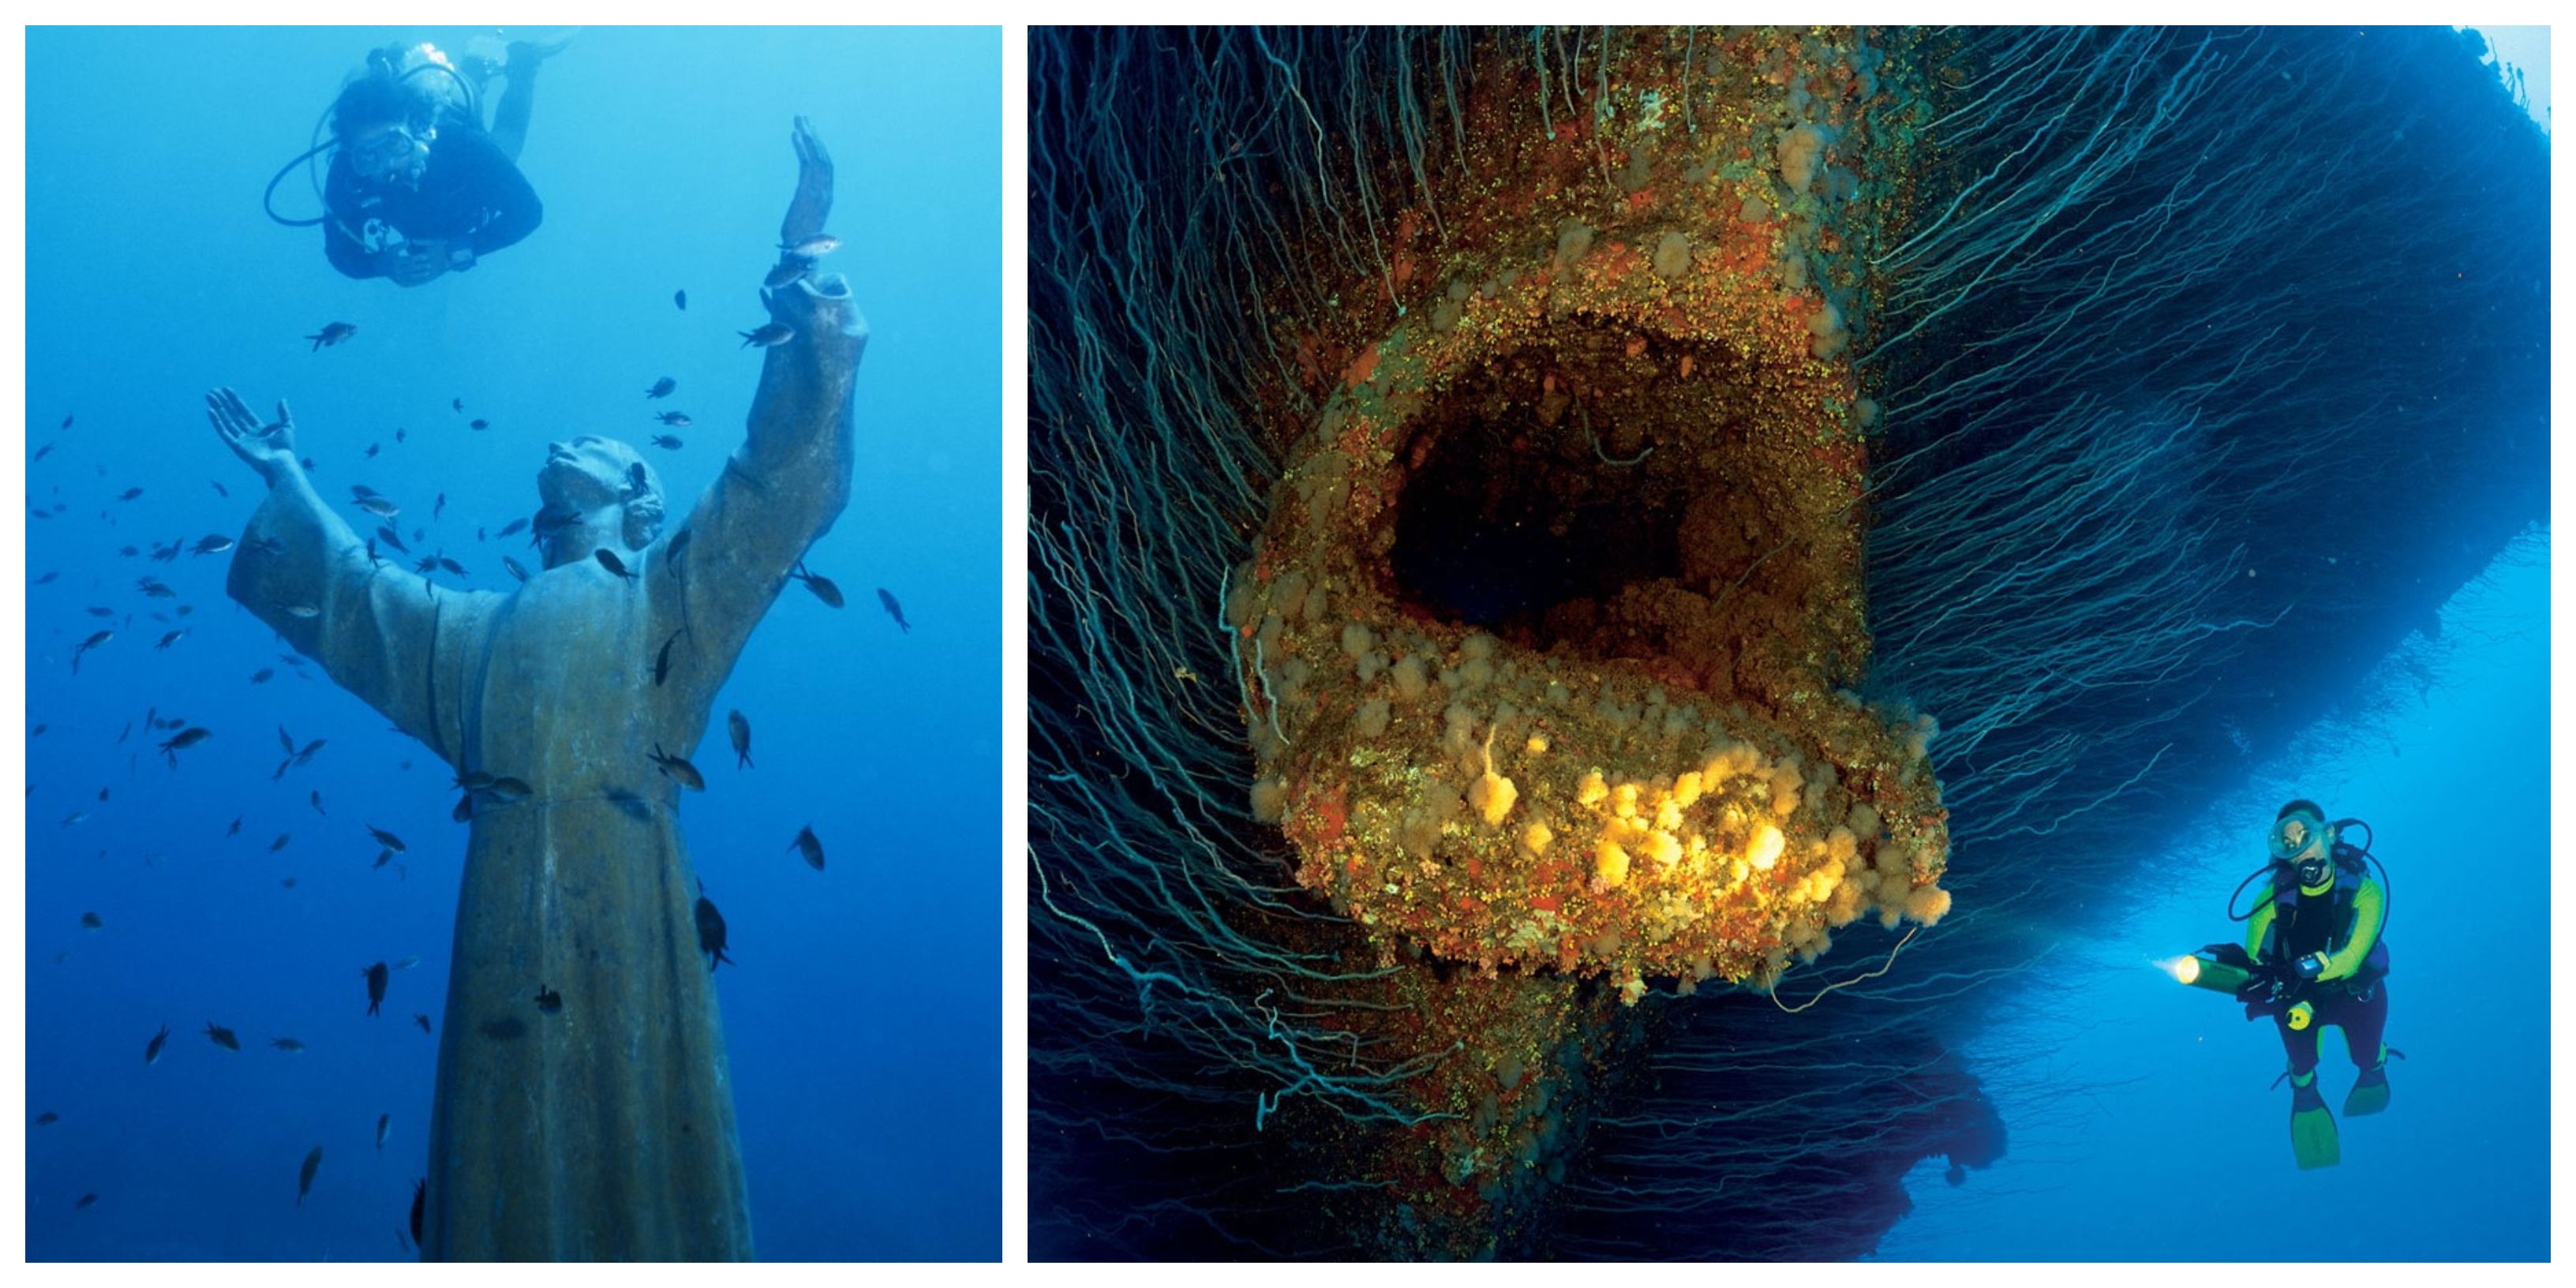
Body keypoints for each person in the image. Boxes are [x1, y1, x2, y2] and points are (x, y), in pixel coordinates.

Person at [209, 118, 859, 1257]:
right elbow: (356, 597)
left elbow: (777, 486)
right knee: (503, 1154)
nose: (569, 441)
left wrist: (806, 267)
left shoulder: (672, 600)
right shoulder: (473, 630)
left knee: (650, 1137)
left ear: (637, 489)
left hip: (632, 882)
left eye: (601, 442)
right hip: (502, 908)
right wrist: (287, 478)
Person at [319, 35, 567, 286]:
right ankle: (476, 65)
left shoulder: (459, 143)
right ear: (351, 154)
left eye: (394, 143)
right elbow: (340, 253)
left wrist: (454, 253)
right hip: (438, 214)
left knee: (507, 141)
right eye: (368, 156)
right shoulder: (346, 172)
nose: (389, 164)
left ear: (414, 131)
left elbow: (528, 212)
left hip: (466, 175)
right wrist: (381, 264)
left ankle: (523, 67)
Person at [2232, 799, 2395, 1170]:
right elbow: (2256, 958)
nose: (2298, 846)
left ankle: (2374, 1067)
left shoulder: (2365, 891)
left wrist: (2304, 970)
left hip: (2358, 994)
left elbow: (2353, 956)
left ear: (2330, 833)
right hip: (2296, 1001)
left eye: (2303, 833)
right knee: (2302, 1063)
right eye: (2285, 841)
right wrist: (2245, 977)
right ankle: (2304, 1092)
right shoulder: (2269, 900)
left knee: (2366, 1055)